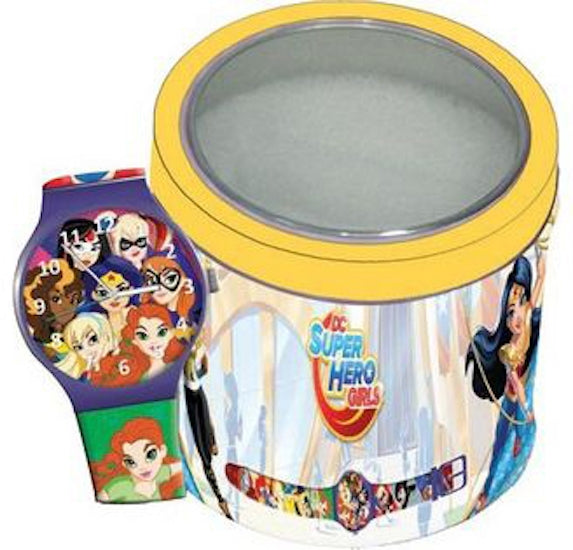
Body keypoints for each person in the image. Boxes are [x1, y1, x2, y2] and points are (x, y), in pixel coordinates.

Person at [465, 254, 544, 510]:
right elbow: (514, 383)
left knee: (513, 441)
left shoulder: (529, 316)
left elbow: (540, 280)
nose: (515, 317)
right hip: (511, 403)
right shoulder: (508, 348)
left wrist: (542, 256)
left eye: (520, 303)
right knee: (500, 444)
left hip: (520, 401)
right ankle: (487, 492)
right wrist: (523, 406)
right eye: (510, 312)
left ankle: (491, 489)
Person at [91, 418, 183, 502]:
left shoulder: (159, 475)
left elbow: (178, 466)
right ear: (124, 464)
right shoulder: (121, 486)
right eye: (131, 462)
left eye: (150, 455)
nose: (143, 467)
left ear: (162, 450)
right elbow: (100, 502)